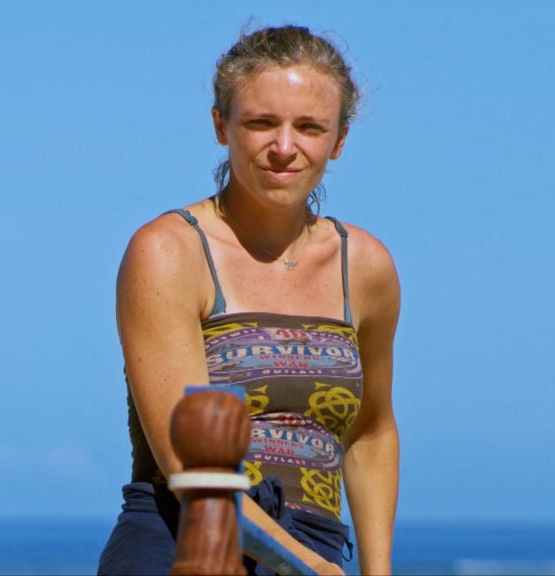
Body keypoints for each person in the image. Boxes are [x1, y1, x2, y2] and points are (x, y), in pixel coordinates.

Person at [98, 24, 400, 576]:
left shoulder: (365, 266)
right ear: (221, 125)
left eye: (309, 127)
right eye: (261, 123)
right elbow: (192, 470)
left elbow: (371, 431)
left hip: (315, 549)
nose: (284, 147)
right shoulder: (169, 251)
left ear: (339, 140)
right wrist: (306, 566)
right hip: (178, 539)